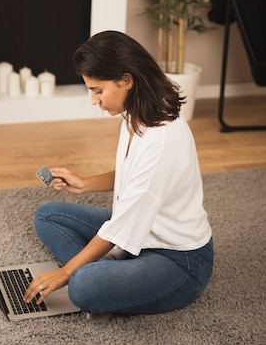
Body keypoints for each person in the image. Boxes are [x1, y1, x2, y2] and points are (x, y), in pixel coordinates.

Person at [24, 31, 213, 317]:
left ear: (126, 80)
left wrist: (65, 272)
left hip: (178, 260)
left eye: (98, 90)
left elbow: (124, 223)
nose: (94, 101)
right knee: (48, 215)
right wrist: (85, 184)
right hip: (141, 231)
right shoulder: (138, 112)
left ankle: (101, 273)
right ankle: (112, 269)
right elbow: (132, 173)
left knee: (81, 287)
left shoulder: (162, 139)